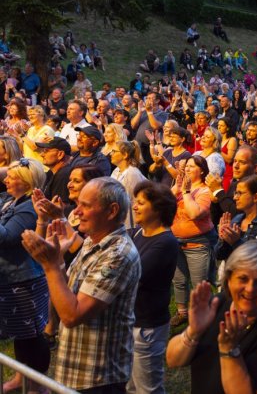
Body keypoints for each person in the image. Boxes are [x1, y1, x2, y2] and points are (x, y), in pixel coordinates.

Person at [22, 177, 142, 393]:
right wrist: (57, 261)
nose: (76, 212)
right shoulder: (93, 240)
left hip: (98, 378)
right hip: (78, 369)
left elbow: (71, 315)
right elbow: (68, 293)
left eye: (85, 206)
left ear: (111, 211)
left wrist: (49, 265)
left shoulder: (117, 254)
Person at [167, 241, 257, 394]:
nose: (250, 289)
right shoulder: (216, 305)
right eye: (243, 279)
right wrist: (193, 331)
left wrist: (229, 349)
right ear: (228, 279)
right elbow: (172, 360)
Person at [0, 158, 50, 393]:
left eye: (12, 176)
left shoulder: (29, 207)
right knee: (22, 335)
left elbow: (8, 237)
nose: (6, 179)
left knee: (31, 336)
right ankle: (24, 380)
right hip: (12, 279)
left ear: (26, 181)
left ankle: (39, 386)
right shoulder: (13, 201)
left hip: (24, 282)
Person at [128, 181, 178, 394]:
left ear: (157, 209)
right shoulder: (139, 233)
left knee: (148, 388)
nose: (134, 207)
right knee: (129, 384)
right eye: (134, 202)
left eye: (140, 203)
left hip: (147, 326)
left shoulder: (165, 241)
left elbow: (133, 274)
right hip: (132, 319)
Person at [170, 155, 217, 327]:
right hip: (176, 241)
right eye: (186, 166)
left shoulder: (205, 191)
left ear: (202, 170)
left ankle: (204, 315)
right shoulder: (180, 186)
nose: (188, 169)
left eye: (192, 166)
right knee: (179, 280)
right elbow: (164, 204)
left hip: (197, 244)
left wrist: (186, 192)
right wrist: (177, 186)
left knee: (199, 284)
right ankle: (182, 313)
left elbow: (194, 214)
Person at [216, 175, 257, 260]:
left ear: (255, 197)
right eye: (235, 193)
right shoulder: (236, 220)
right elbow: (219, 255)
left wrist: (236, 242)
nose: (235, 198)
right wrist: (223, 238)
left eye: (239, 193)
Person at [110, 140, 147, 229]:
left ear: (125, 155)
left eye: (114, 151)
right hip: (117, 219)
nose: (111, 154)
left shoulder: (132, 173)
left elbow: (134, 201)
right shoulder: (116, 171)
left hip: (130, 225)